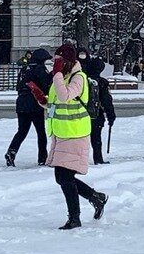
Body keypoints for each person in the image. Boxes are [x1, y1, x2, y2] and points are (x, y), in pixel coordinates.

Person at [43, 43, 108, 230]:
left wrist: (56, 74)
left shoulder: (78, 77)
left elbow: (65, 96)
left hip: (75, 132)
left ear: (68, 61)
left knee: (65, 176)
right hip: (61, 132)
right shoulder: (62, 77)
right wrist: (43, 101)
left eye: (59, 61)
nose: (56, 64)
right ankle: (96, 197)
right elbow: (57, 102)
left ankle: (75, 218)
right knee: (61, 177)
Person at [5, 48, 52, 166]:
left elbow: (18, 86)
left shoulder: (24, 69)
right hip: (35, 103)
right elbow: (46, 86)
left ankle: (12, 151)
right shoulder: (40, 69)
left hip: (21, 102)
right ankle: (42, 158)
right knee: (40, 132)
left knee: (22, 131)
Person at [86, 57, 116, 164]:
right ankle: (98, 159)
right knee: (96, 139)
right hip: (96, 115)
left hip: (81, 115)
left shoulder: (81, 80)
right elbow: (106, 101)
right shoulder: (101, 83)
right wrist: (111, 115)